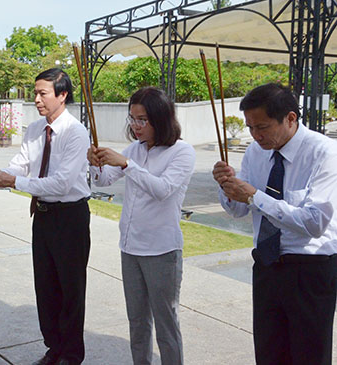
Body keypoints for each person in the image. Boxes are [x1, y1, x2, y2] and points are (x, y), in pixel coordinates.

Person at [212, 83, 337, 365]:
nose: (256, 136)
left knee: (309, 355)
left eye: (263, 127)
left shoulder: (324, 153)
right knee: (269, 354)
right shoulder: (256, 152)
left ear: (290, 118)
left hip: (310, 269)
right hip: (267, 266)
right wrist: (227, 187)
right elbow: (239, 211)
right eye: (250, 128)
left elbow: (315, 222)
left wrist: (256, 196)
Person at [0, 68, 91, 365]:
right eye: (35, 93)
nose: (37, 100)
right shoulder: (34, 130)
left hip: (70, 217)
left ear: (62, 95)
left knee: (70, 288)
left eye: (43, 93)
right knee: (45, 287)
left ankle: (70, 354)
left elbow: (61, 183)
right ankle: (53, 348)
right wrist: (1, 173)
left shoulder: (75, 133)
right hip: (42, 216)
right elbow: (21, 165)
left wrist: (13, 182)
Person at [87, 87, 194, 365]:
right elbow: (102, 181)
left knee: (166, 323)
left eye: (142, 120)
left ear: (161, 119)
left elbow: (162, 189)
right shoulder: (133, 150)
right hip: (130, 246)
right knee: (137, 321)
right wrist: (95, 164)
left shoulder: (181, 152)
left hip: (161, 249)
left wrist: (126, 164)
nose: (135, 126)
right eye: (132, 119)